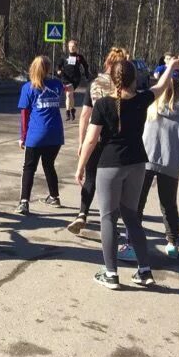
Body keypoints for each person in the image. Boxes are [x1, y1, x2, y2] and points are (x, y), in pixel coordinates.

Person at [74, 55, 179, 289]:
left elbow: (91, 140)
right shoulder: (142, 99)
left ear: (112, 79)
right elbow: (162, 86)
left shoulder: (103, 104)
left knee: (108, 217)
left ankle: (111, 274)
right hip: (136, 164)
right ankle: (144, 271)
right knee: (131, 217)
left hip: (110, 165)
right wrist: (171, 67)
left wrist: (81, 166)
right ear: (134, 79)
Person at [67, 47, 130, 235]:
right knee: (114, 183)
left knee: (90, 177)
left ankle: (82, 214)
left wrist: (81, 142)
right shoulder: (127, 85)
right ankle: (110, 222)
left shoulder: (95, 84)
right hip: (118, 142)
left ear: (107, 63)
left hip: (95, 137)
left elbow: (85, 115)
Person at [137, 74, 179, 259]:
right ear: (177, 92)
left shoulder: (149, 110)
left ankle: (132, 238)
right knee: (168, 204)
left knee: (138, 201)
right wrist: (176, 152)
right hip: (171, 163)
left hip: (145, 160)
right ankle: (172, 242)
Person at [16, 55, 64, 215]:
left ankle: (24, 202)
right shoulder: (57, 85)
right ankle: (54, 196)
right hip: (55, 134)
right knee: (49, 164)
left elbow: (24, 115)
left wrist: (23, 136)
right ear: (48, 69)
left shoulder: (28, 88)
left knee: (29, 167)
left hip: (36, 135)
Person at [57, 39, 91, 122]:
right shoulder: (64, 56)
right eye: (70, 46)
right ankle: (69, 112)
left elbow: (85, 66)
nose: (71, 48)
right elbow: (58, 65)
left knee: (70, 95)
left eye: (73, 46)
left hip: (75, 79)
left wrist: (87, 75)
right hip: (66, 78)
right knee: (69, 95)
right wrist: (58, 70)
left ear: (76, 47)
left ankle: (71, 110)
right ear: (68, 47)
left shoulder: (79, 57)